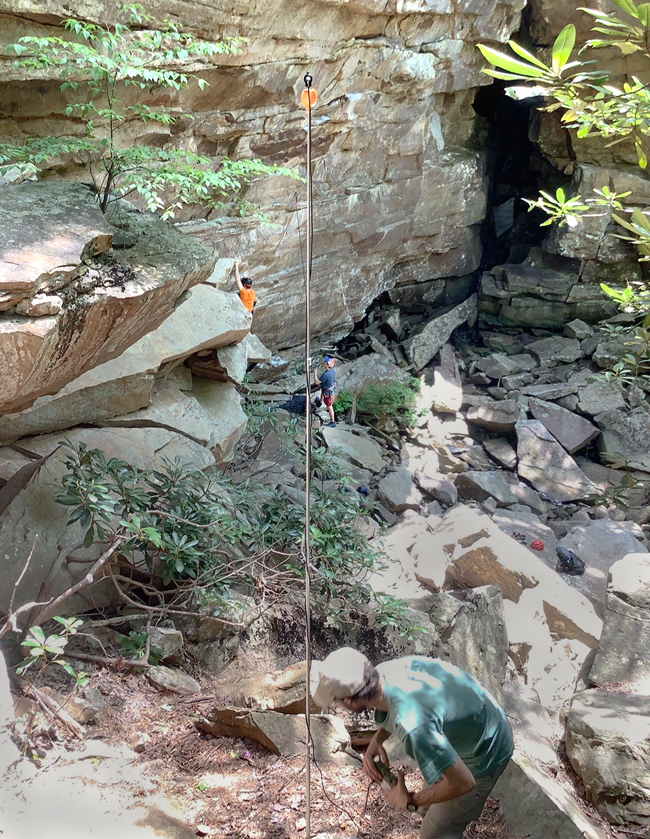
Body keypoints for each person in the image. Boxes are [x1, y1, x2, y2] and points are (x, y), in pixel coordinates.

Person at [311, 647, 513, 839]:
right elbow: (405, 704)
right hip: (473, 724)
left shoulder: (414, 726)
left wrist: (409, 800)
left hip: (486, 752)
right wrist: (376, 740)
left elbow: (464, 783)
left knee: (435, 834)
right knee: (430, 806)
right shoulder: (384, 672)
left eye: (335, 700)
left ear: (349, 701)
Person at [314, 354, 336, 426]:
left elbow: (317, 382)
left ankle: (333, 422)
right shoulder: (332, 371)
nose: (324, 364)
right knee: (322, 394)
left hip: (327, 392)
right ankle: (319, 402)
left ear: (327, 364)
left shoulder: (326, 375)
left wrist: (315, 373)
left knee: (329, 406)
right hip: (329, 389)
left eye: (324, 362)